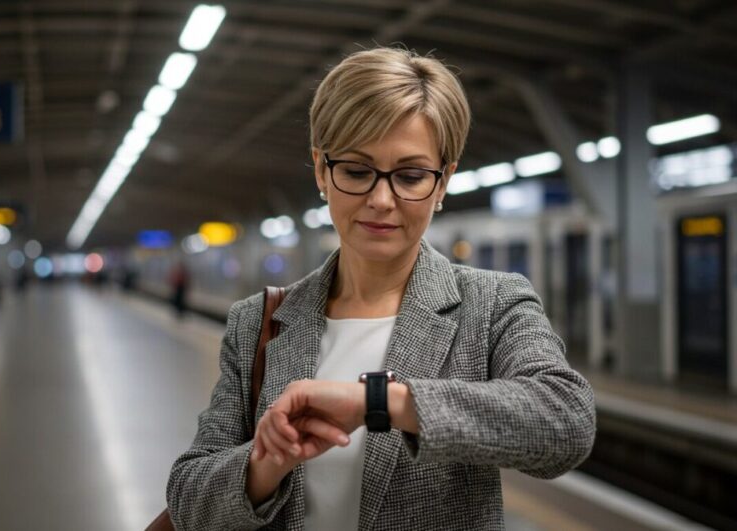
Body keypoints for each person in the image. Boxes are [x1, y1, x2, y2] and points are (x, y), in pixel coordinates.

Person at [166, 47, 596, 530]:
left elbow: (566, 422)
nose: (381, 200)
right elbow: (188, 498)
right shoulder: (257, 323)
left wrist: (381, 403)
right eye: (356, 171)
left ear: (443, 182)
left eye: (411, 176)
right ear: (322, 171)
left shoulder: (492, 305)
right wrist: (265, 463)